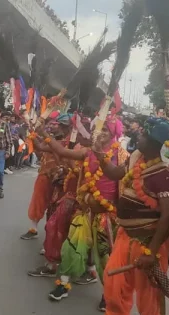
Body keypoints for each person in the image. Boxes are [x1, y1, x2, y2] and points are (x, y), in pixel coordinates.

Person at [82, 118, 169, 315]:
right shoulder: (136, 158)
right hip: (126, 236)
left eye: (143, 135)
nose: (138, 137)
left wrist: (151, 252)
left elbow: (167, 217)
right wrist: (100, 154)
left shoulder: (163, 174)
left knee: (148, 292)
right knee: (113, 280)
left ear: (155, 143)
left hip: (149, 243)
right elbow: (115, 174)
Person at [46, 114, 130, 304]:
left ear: (115, 134)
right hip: (84, 212)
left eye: (106, 131)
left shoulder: (122, 156)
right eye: (100, 130)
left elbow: (125, 185)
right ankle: (63, 284)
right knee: (71, 249)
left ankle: (107, 296)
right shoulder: (89, 152)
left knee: (106, 259)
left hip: (106, 216)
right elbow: (62, 151)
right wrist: (44, 133)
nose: (101, 134)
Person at [26, 114, 77, 278]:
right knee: (52, 219)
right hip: (58, 184)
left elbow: (59, 153)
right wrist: (35, 135)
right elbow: (43, 149)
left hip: (71, 192)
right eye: (57, 125)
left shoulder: (76, 145)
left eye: (61, 126)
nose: (58, 127)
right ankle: (52, 255)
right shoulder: (65, 142)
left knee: (58, 224)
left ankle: (57, 262)